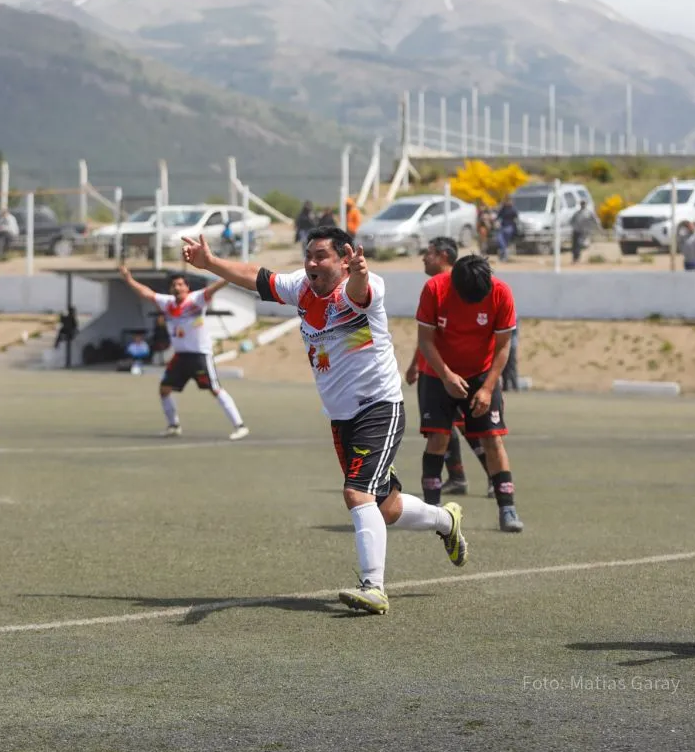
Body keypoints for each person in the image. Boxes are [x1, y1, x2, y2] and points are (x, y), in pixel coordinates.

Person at [180, 226, 468, 615]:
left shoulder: (366, 287)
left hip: (379, 406)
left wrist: (360, 273)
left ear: (345, 259)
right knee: (385, 506)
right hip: (341, 416)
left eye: (321, 256)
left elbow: (359, 292)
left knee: (357, 493)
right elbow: (256, 277)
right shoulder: (301, 287)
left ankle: (373, 587)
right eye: (308, 256)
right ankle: (446, 521)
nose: (311, 263)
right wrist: (211, 262)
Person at [416, 253, 524, 533]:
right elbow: (425, 340)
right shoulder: (434, 289)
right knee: (438, 438)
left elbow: (503, 346)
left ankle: (507, 508)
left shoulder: (501, 293)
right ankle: (432, 511)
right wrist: (446, 376)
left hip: (481, 375)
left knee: (492, 440)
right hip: (437, 373)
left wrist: (487, 388)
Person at [118, 266, 249, 441]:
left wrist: (230, 275)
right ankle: (173, 426)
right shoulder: (167, 303)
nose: (177, 288)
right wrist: (129, 279)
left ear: (187, 287)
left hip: (199, 355)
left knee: (215, 389)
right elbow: (146, 293)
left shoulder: (197, 299)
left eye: (181, 284)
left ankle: (240, 426)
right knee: (164, 389)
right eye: (174, 285)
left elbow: (214, 288)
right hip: (180, 356)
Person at [404, 237, 489, 497]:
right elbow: (428, 335)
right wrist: (416, 363)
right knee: (450, 425)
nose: (424, 257)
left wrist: (418, 365)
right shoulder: (438, 287)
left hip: (446, 372)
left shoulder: (450, 286)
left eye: (429, 253)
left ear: (443, 255)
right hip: (442, 368)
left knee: (457, 425)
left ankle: (489, 477)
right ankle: (459, 476)